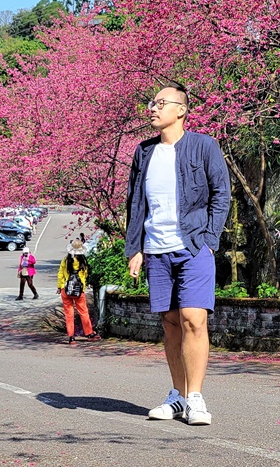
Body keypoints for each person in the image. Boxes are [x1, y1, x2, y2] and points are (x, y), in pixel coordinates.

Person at [125, 84, 231, 426]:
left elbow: (222, 194)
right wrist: (135, 248)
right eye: (151, 102)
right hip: (156, 251)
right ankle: (177, 396)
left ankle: (196, 398)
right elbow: (135, 205)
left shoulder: (203, 145)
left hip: (193, 246)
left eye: (160, 103)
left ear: (181, 110)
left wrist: (210, 239)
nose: (152, 108)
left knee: (194, 320)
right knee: (170, 324)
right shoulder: (143, 152)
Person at [57, 240, 99, 344]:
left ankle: (71, 337)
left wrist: (60, 286)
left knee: (69, 314)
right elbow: (84, 275)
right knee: (83, 312)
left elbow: (60, 274)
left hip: (65, 289)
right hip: (79, 291)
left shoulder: (66, 260)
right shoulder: (82, 261)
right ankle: (89, 333)